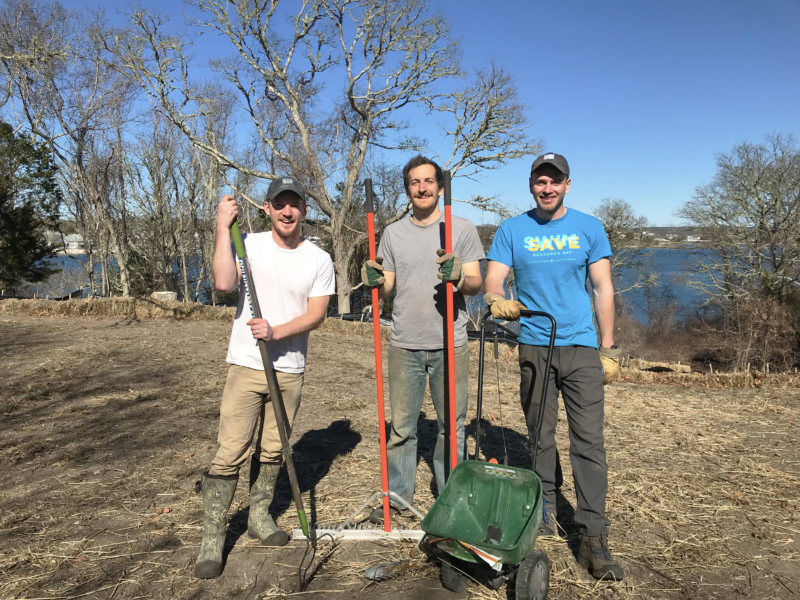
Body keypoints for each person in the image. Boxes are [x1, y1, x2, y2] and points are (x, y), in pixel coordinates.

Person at [483, 152, 624, 581]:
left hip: (580, 346)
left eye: (555, 181)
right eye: (540, 181)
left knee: (588, 441)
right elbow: (494, 279)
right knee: (539, 433)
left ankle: (593, 534)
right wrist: (495, 299)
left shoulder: (589, 227)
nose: (547, 188)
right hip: (534, 344)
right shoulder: (512, 229)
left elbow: (602, 288)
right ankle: (543, 504)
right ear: (531, 185)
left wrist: (609, 347)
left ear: (567, 184)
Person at [195, 177, 335, 579]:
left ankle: (259, 518)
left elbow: (317, 314)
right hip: (246, 364)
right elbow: (223, 284)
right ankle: (213, 539)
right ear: (268, 210)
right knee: (230, 452)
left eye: (294, 204)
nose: (287, 211)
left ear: (304, 211)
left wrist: (277, 331)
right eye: (279, 204)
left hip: (289, 369)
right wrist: (223, 226)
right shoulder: (249, 246)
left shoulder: (318, 259)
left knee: (274, 449)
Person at [361, 155, 484, 521]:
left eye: (429, 181)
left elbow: (475, 284)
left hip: (451, 343)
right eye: (415, 183)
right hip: (404, 343)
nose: (422, 188)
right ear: (407, 190)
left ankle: (452, 497)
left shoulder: (461, 228)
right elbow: (388, 288)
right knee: (401, 428)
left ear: (440, 186)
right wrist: (377, 280)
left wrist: (459, 275)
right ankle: (398, 498)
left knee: (452, 427)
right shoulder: (394, 233)